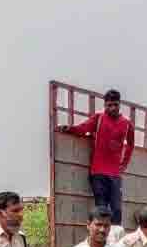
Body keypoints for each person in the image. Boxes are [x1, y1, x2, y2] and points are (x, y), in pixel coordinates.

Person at [56, 89, 135, 226]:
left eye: (115, 105)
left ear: (119, 105)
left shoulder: (127, 124)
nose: (112, 108)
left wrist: (124, 163)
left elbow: (131, 145)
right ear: (105, 105)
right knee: (101, 208)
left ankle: (115, 240)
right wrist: (68, 128)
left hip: (115, 174)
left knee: (116, 209)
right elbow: (82, 129)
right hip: (97, 172)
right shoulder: (98, 118)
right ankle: (101, 235)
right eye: (109, 105)